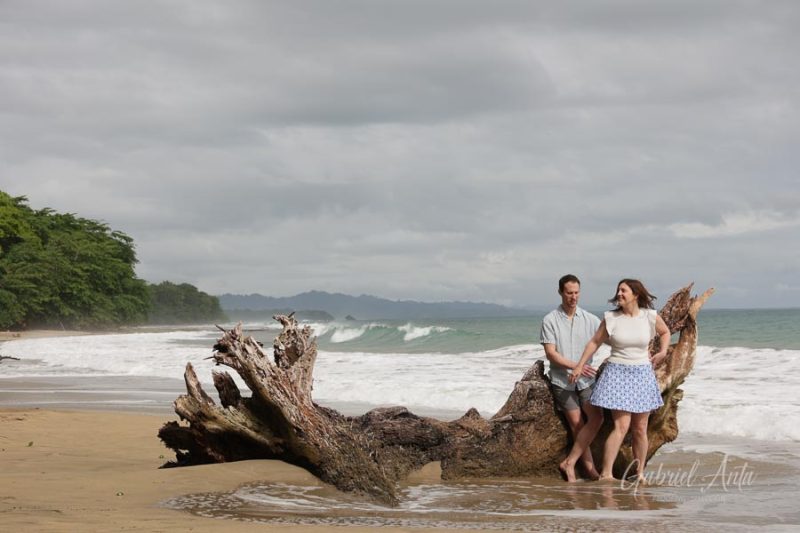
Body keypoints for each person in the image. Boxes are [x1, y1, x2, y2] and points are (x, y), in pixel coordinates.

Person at [559, 278, 670, 483]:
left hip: (643, 374)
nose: (619, 294)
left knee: (640, 428)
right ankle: (607, 474)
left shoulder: (650, 316)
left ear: (635, 295)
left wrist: (663, 351)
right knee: (622, 425)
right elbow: (594, 343)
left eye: (623, 291)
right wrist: (578, 365)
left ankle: (640, 474)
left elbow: (665, 332)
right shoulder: (611, 318)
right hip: (618, 373)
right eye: (618, 290)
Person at [540, 274, 603, 480]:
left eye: (576, 293)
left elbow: (611, 338)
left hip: (586, 380)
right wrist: (576, 366)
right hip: (562, 380)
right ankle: (590, 469)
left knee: (597, 418)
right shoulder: (550, 320)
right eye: (569, 293)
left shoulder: (591, 320)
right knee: (576, 424)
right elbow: (551, 353)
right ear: (560, 292)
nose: (573, 297)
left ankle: (570, 461)